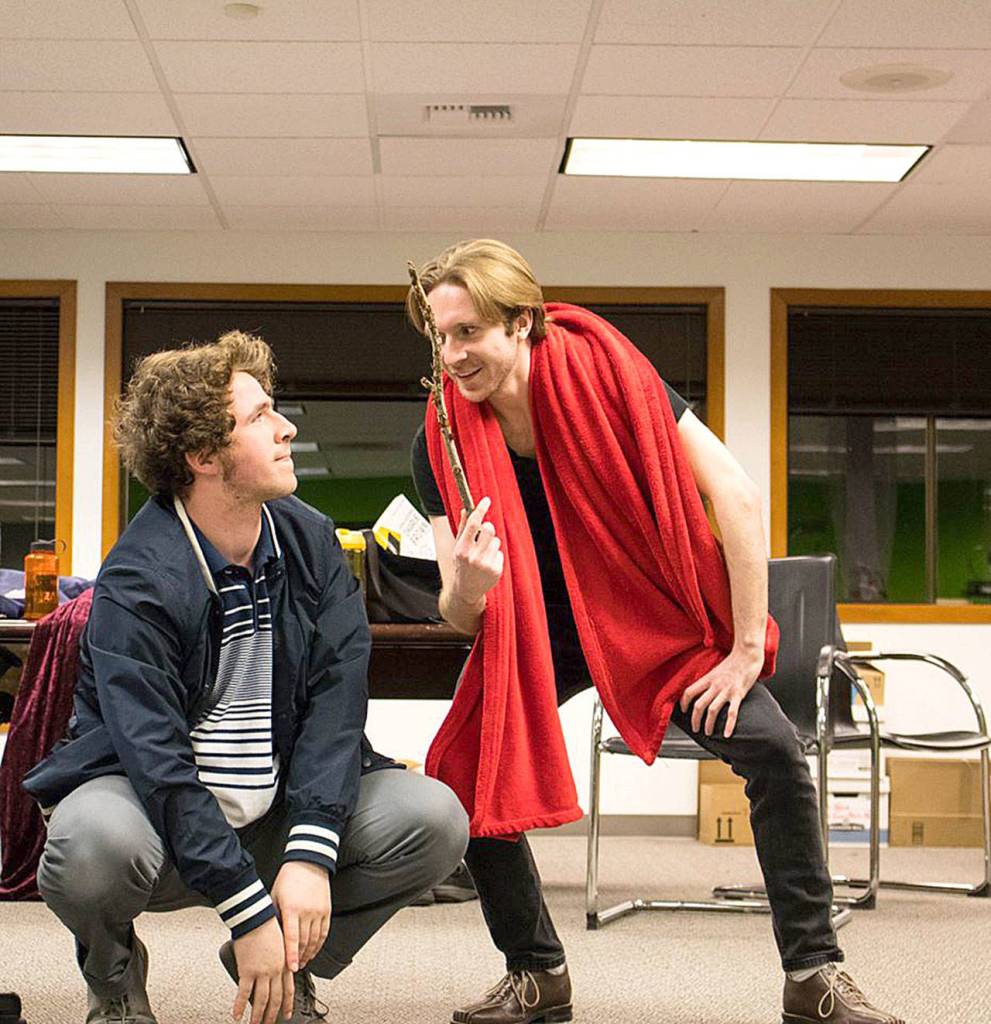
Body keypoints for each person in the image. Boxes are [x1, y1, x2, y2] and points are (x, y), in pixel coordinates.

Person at [407, 239, 904, 1024]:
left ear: (521, 322)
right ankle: (536, 972)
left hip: (645, 613)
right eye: (440, 336)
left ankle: (813, 976)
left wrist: (745, 650)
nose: (452, 355)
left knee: (775, 750)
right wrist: (468, 586)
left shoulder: (610, 377)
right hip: (537, 630)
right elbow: (455, 610)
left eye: (467, 332)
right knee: (460, 772)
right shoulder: (438, 440)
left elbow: (736, 496)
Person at [24, 331, 469, 1024]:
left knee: (433, 819)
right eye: (261, 416)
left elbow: (335, 707)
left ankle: (281, 968)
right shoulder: (137, 579)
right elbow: (158, 763)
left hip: (273, 804)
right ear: (203, 457)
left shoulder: (311, 541)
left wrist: (311, 853)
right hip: (158, 816)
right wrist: (245, 905)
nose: (286, 427)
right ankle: (113, 978)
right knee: (90, 848)